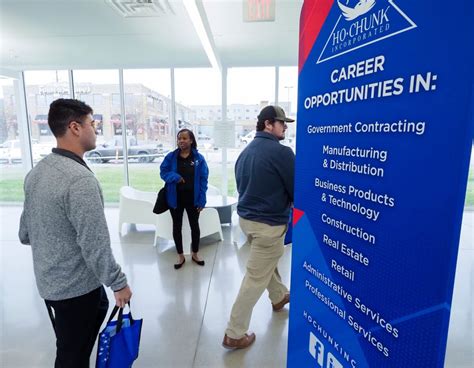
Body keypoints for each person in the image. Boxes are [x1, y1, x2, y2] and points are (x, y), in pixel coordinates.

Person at [18, 98, 132, 368]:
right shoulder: (79, 180)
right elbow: (95, 244)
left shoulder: (36, 173)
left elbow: (25, 233)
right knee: (72, 357)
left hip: (50, 285)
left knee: (71, 348)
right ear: (75, 127)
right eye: (92, 123)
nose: (96, 129)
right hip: (77, 291)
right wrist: (119, 283)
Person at [222, 105, 295, 349]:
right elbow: (296, 192)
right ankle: (234, 333)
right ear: (268, 124)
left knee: (266, 263)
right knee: (255, 278)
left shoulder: (245, 152)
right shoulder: (282, 153)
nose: (285, 127)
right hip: (269, 225)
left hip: (247, 222)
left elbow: (243, 187)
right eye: (281, 122)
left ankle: (278, 296)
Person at [160, 128, 209, 269]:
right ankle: (180, 255)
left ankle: (195, 253)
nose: (181, 141)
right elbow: (163, 172)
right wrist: (175, 177)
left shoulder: (199, 159)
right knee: (177, 226)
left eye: (184, 138)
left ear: (191, 140)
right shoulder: (171, 157)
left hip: (193, 199)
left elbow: (203, 179)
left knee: (195, 226)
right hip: (175, 198)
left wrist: (202, 199)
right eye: (179, 138)